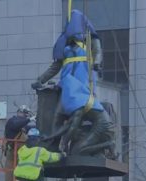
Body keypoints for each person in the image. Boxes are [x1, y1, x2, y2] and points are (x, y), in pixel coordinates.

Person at [31, 9, 104, 152]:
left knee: (81, 112)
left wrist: (96, 63)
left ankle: (77, 142)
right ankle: (53, 144)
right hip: (67, 83)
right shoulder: (64, 46)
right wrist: (40, 80)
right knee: (58, 114)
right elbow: (55, 66)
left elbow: (98, 53)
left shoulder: (90, 40)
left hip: (83, 82)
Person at [4, 105, 35, 181]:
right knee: (10, 173)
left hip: (21, 153)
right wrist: (29, 119)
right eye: (25, 114)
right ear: (19, 112)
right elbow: (16, 125)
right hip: (12, 152)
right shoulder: (12, 121)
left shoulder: (21, 126)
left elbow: (27, 128)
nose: (25, 116)